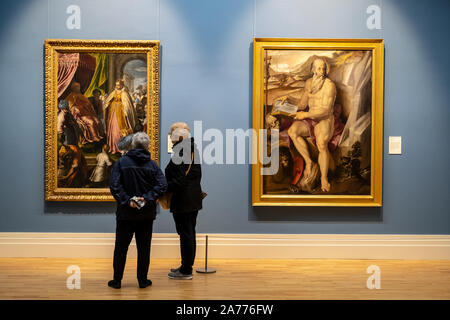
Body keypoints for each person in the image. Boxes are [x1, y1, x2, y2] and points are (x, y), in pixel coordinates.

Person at [108, 132, 167, 289]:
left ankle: (117, 281)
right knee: (144, 248)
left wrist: (129, 200)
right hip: (146, 214)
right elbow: (162, 185)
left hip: (125, 214)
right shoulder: (153, 165)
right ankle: (142, 281)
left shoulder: (121, 163)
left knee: (121, 247)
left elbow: (114, 186)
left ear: (132, 145)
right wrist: (146, 198)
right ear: (147, 146)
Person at [285, 58, 337, 192]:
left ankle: (323, 178)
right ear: (313, 69)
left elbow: (325, 109)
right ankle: (308, 162)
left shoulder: (329, 85)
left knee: (321, 143)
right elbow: (302, 104)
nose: (321, 71)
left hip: (324, 119)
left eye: (323, 68)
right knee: (292, 131)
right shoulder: (309, 83)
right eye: (318, 68)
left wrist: (305, 115)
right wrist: (288, 99)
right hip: (311, 118)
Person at [165, 122, 203, 280]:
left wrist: (164, 188)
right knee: (189, 233)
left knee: (186, 234)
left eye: (171, 134)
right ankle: (186, 265)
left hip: (183, 200)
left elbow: (180, 179)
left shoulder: (182, 150)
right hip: (192, 198)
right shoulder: (191, 148)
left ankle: (186, 270)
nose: (170, 138)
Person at [104, 79, 136, 154]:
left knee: (119, 130)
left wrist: (125, 111)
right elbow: (108, 100)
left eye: (118, 85)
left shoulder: (124, 93)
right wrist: (107, 104)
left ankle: (120, 147)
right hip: (113, 112)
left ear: (122, 85)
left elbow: (127, 105)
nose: (117, 86)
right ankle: (113, 147)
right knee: (112, 129)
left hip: (120, 114)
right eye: (116, 85)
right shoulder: (113, 92)